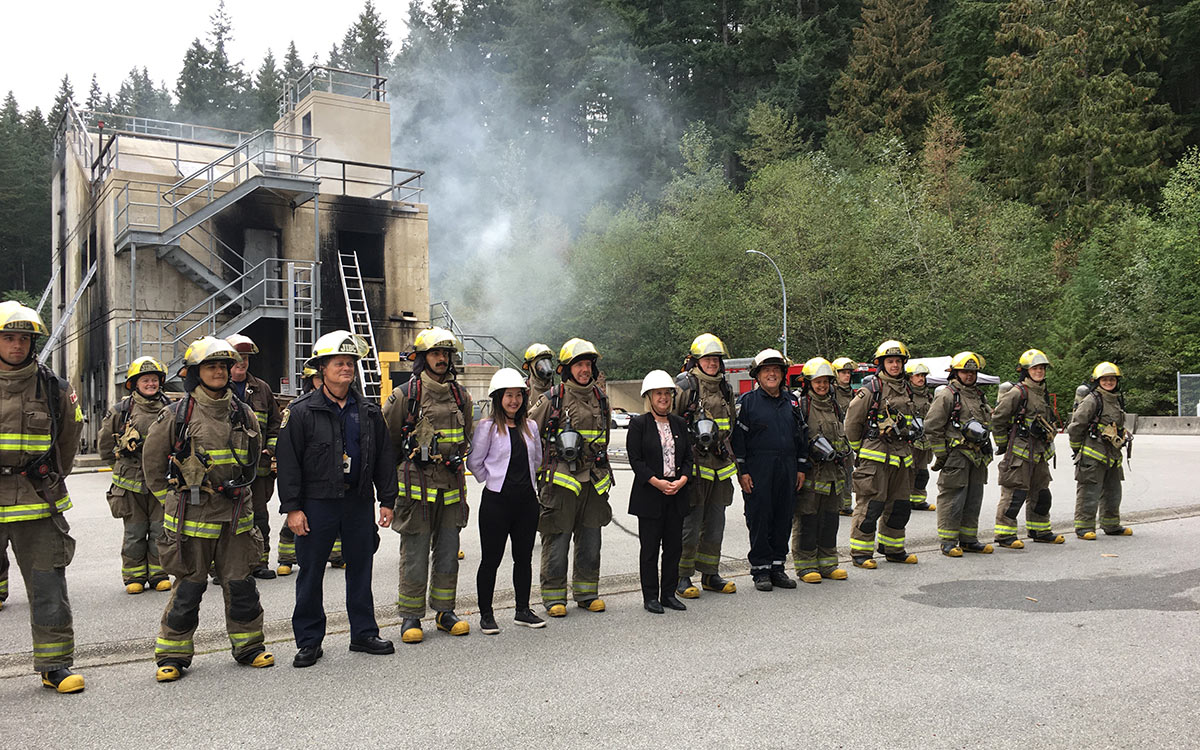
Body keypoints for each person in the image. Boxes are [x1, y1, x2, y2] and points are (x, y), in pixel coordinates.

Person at [143, 336, 274, 681]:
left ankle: (249, 647)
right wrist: (172, 502)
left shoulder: (243, 412)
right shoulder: (176, 414)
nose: (218, 371)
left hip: (235, 518)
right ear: (195, 372)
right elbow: (153, 467)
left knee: (241, 584)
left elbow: (252, 457)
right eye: (210, 366)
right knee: (189, 587)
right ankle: (172, 654)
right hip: (192, 518)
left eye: (223, 366)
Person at [276, 331, 398, 667]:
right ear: (322, 369)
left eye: (350, 363)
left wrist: (387, 500)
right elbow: (288, 463)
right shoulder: (300, 412)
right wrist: (293, 508)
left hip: (358, 500)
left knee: (360, 568)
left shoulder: (369, 410)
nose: (346, 368)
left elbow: (384, 457)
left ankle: (363, 633)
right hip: (317, 504)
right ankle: (309, 641)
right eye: (338, 363)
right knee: (311, 572)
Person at [0, 301, 85, 693]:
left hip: (37, 501)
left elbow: (67, 443)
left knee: (48, 584)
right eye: (8, 337)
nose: (17, 345)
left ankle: (55, 665)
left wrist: (49, 478)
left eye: (23, 339)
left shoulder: (55, 388)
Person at [383, 327, 474, 642]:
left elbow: (466, 441)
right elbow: (388, 444)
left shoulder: (462, 397)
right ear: (422, 358)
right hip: (415, 491)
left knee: (449, 554)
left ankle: (445, 612)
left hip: (450, 490)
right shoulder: (404, 396)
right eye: (435, 353)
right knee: (415, 554)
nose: (441, 359)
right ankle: (410, 617)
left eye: (446, 354)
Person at [528, 338, 614, 616]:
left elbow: (604, 439)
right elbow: (530, 435)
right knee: (557, 538)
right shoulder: (552, 398)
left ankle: (587, 593)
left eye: (588, 364)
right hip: (560, 483)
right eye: (579, 365)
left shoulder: (601, 399)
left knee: (591, 540)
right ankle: (554, 598)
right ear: (567, 369)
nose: (585, 370)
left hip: (594, 481)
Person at [466, 368, 545, 634]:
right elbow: (475, 462)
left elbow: (537, 461)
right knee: (491, 559)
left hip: (526, 503)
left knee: (523, 558)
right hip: (496, 503)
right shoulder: (487, 427)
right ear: (498, 397)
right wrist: (494, 479)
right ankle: (486, 614)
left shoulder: (531, 426)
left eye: (518, 395)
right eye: (508, 396)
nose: (514, 401)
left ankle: (523, 610)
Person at [732, 349, 809, 591]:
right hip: (758, 469)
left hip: (787, 468)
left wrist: (800, 467)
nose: (772, 374)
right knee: (760, 518)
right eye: (767, 370)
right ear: (757, 375)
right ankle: (760, 570)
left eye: (776, 369)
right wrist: (742, 471)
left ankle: (777, 568)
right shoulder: (746, 403)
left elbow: (802, 437)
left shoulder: (792, 403)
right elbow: (737, 441)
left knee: (783, 517)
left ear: (783, 374)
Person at [844, 340, 921, 568]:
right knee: (870, 507)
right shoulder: (871, 390)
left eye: (898, 361)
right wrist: (862, 450)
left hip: (902, 457)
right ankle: (861, 553)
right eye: (890, 361)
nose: (895, 365)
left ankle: (893, 549)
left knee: (899, 506)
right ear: (881, 364)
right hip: (875, 458)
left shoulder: (907, 389)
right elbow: (851, 424)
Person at [99, 356, 172, 594]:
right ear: (134, 384)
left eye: (154, 380)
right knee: (134, 533)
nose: (150, 384)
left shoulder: (171, 410)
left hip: (161, 483)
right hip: (130, 485)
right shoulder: (121, 411)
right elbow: (104, 446)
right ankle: (134, 576)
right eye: (145, 380)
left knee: (161, 530)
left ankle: (159, 573)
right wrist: (121, 467)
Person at [673, 333, 737, 598]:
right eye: (707, 358)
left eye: (716, 358)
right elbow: (672, 426)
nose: (712, 363)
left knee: (714, 525)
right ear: (696, 360)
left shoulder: (725, 387)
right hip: (695, 468)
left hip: (720, 468)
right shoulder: (685, 386)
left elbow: (731, 425)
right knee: (689, 526)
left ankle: (711, 574)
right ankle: (681, 577)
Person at [628, 370, 692, 614]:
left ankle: (668, 594)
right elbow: (636, 460)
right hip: (650, 495)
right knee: (650, 549)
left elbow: (688, 458)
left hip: (676, 494)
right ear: (649, 397)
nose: (663, 398)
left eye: (667, 393)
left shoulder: (680, 424)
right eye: (658, 394)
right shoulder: (639, 424)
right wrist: (657, 482)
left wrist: (682, 480)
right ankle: (651, 597)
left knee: (674, 547)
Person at [992, 349, 1064, 547]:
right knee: (1015, 494)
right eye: (1035, 368)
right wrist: (1003, 444)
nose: (1039, 371)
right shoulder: (1018, 392)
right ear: (1025, 371)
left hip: (1041, 452)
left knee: (1041, 493)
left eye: (1041, 368)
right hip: (1020, 452)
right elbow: (998, 420)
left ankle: (1040, 530)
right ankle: (1005, 535)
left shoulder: (1043, 392)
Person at [925, 352, 994, 557]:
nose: (970, 375)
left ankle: (969, 539)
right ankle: (948, 541)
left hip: (977, 457)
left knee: (974, 499)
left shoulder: (979, 395)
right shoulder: (947, 395)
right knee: (953, 499)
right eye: (965, 371)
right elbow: (932, 427)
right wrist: (942, 454)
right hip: (956, 457)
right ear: (955, 372)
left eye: (973, 372)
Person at [278, 366, 345, 574]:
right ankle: (287, 559)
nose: (319, 381)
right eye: (315, 378)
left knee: (335, 524)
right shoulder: (299, 407)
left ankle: (336, 556)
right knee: (294, 525)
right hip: (308, 479)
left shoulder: (340, 402)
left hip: (332, 474)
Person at [226, 334, 282, 580]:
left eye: (246, 358)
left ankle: (259, 562)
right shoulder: (217, 388)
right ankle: (225, 567)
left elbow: (276, 424)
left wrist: (270, 448)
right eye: (238, 358)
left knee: (259, 517)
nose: (242, 362)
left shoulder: (262, 389)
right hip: (226, 471)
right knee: (227, 521)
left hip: (256, 469)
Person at [790, 358, 849, 583]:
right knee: (808, 519)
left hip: (834, 474)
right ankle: (805, 566)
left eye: (825, 381)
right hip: (812, 474)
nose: (822, 385)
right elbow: (795, 440)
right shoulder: (801, 406)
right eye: (818, 381)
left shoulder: (834, 405)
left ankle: (828, 563)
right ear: (808, 383)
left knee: (830, 520)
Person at [1068, 362, 1133, 540]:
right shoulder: (1092, 400)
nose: (1109, 382)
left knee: (1113, 491)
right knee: (1089, 491)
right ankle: (1083, 527)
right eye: (1105, 379)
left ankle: (1111, 525)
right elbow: (1076, 426)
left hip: (1112, 455)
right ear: (1097, 381)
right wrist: (1076, 449)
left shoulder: (1116, 399)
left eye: (1112, 379)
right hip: (1092, 454)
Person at [906, 361, 936, 512]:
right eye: (918, 375)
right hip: (909, 440)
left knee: (922, 472)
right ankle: (905, 499)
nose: (921, 378)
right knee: (908, 471)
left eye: (923, 376)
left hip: (924, 441)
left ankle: (919, 500)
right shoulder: (905, 394)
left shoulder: (928, 396)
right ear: (910, 378)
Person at [831, 357, 857, 516]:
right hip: (835, 439)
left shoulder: (853, 393)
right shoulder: (831, 392)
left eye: (848, 373)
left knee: (848, 471)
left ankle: (845, 505)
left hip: (848, 440)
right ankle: (835, 504)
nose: (846, 376)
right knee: (835, 473)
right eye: (843, 373)